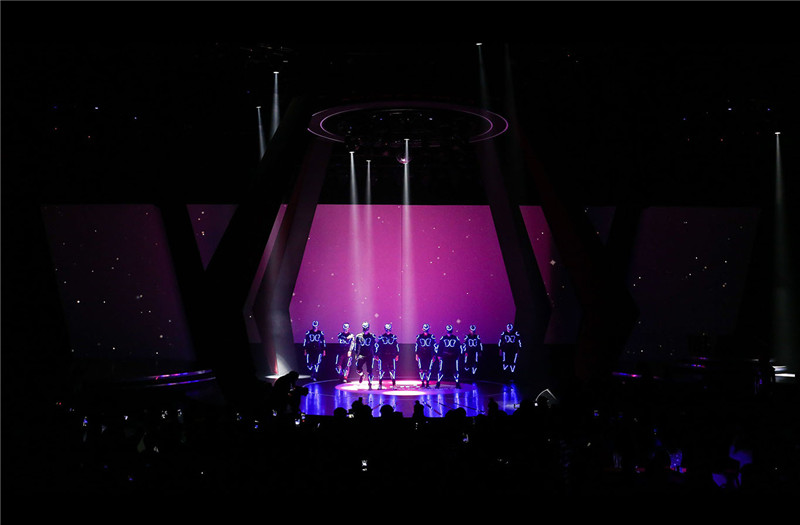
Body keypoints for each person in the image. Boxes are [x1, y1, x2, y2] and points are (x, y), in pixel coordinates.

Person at [348, 322, 376, 389]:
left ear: (368, 328)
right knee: (358, 369)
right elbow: (357, 346)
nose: (365, 330)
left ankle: (370, 383)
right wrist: (356, 354)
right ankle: (362, 375)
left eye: (366, 328)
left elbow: (374, 346)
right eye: (364, 328)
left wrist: (375, 354)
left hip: (369, 355)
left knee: (369, 370)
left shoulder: (372, 336)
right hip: (362, 354)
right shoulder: (359, 336)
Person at [375, 322, 400, 389]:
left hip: (391, 356)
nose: (388, 330)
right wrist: (376, 354)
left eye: (389, 329)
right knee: (381, 371)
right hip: (383, 356)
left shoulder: (393, 337)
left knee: (392, 370)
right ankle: (380, 384)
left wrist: (397, 354)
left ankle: (394, 384)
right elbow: (378, 346)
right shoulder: (381, 337)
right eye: (387, 329)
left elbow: (396, 346)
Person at [436, 324, 462, 388]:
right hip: (445, 356)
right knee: (441, 370)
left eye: (450, 331)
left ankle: (457, 383)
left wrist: (458, 355)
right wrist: (439, 355)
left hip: (453, 356)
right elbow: (440, 347)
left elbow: (458, 347)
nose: (449, 333)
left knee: (455, 370)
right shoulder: (443, 338)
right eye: (448, 331)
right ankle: (438, 383)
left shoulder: (456, 338)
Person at [415, 323, 437, 388]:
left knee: (428, 369)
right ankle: (422, 382)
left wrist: (434, 355)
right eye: (424, 329)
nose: (425, 330)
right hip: (421, 354)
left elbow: (434, 346)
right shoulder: (419, 336)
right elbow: (417, 345)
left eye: (427, 329)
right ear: (422, 329)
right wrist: (416, 354)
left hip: (429, 354)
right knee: (421, 369)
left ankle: (427, 382)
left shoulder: (432, 337)